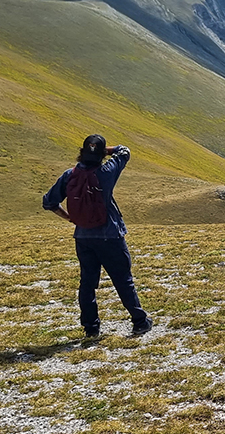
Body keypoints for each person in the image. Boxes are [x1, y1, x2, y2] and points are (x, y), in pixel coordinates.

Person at [42, 134, 152, 338]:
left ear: (81, 153)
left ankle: (91, 328)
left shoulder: (69, 175)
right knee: (123, 279)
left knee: (87, 283)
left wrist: (70, 218)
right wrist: (104, 150)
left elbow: (49, 202)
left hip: (83, 237)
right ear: (101, 155)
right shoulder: (107, 171)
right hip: (110, 235)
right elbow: (124, 151)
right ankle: (139, 322)